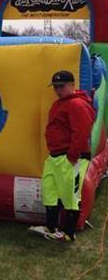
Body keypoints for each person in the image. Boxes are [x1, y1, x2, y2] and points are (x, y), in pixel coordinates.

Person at [30, 71, 95, 242]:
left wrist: (72, 156)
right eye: (56, 87)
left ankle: (69, 233)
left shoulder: (77, 104)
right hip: (56, 155)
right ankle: (51, 228)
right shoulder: (60, 104)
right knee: (49, 190)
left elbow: (81, 132)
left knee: (70, 195)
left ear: (72, 85)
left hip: (71, 156)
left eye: (62, 86)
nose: (58, 90)